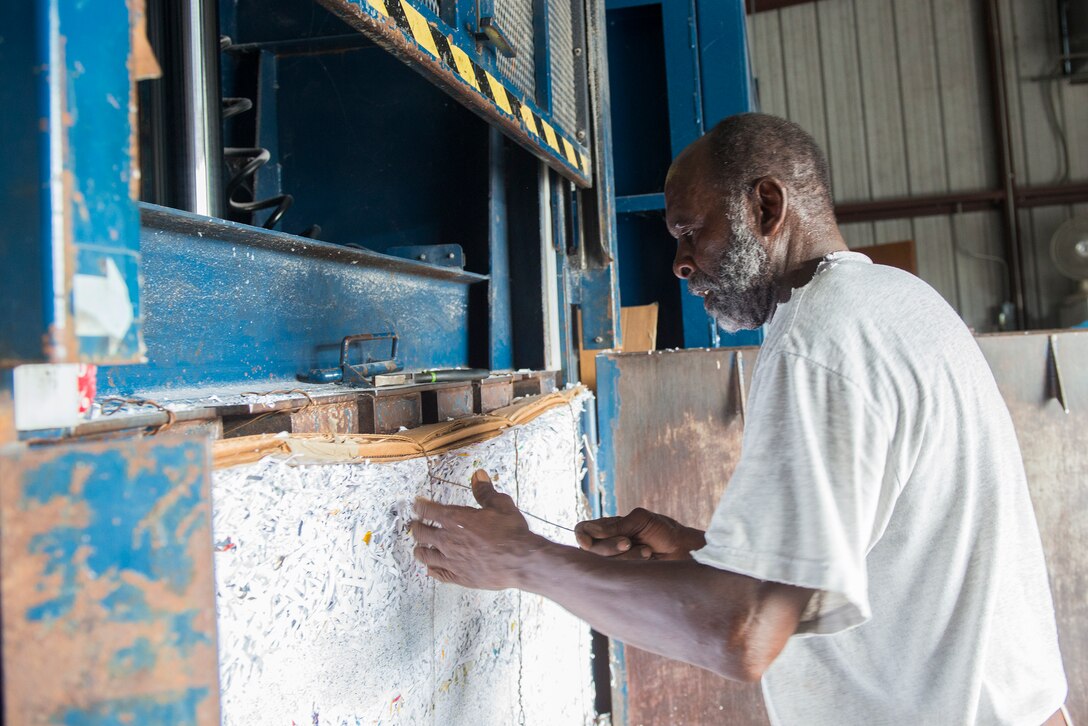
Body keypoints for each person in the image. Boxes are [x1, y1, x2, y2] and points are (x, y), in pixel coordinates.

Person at [410, 113, 1068, 725]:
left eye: (690, 231)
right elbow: (847, 566)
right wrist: (695, 550)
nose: (681, 264)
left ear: (767, 207)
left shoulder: (822, 343)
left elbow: (744, 631)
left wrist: (522, 561)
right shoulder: (890, 302)